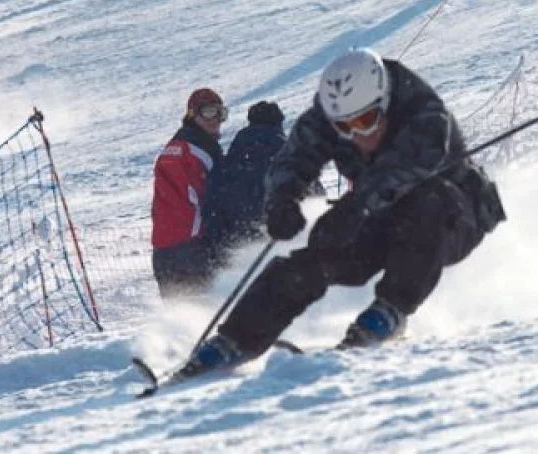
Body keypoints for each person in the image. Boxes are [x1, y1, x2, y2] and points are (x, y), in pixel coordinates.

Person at [181, 48, 505, 374]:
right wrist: (282, 200)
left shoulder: (422, 111)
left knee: (427, 200)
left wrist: (354, 207)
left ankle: (390, 311)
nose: (356, 135)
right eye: (343, 127)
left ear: (384, 102)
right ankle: (235, 340)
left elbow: (407, 165)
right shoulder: (332, 114)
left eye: (365, 121)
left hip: (454, 217)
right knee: (312, 256)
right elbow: (295, 156)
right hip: (379, 214)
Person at [201, 101, 325, 270]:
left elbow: (212, 204)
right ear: (278, 124)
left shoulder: (230, 160)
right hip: (276, 245)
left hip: (235, 249)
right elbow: (316, 199)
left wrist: (215, 253)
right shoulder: (288, 156)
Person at [151, 87, 226, 299]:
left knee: (181, 320)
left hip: (163, 250)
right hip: (192, 250)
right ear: (193, 114)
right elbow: (215, 202)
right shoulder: (203, 151)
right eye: (210, 112)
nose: (217, 120)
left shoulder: (174, 146)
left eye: (221, 113)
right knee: (207, 316)